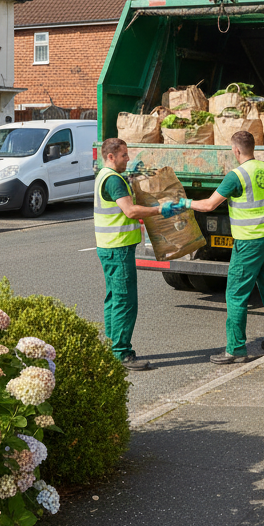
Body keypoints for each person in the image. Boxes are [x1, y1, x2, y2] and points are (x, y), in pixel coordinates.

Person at [163, 131, 264, 364]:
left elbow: (210, 205)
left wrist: (184, 203)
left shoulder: (236, 176)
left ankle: (236, 350)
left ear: (236, 150)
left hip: (249, 242)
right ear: (253, 148)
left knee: (235, 294)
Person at [95, 138, 167, 371]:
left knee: (114, 299)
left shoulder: (105, 176)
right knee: (125, 301)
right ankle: (121, 353)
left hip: (109, 247)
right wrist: (160, 209)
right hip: (118, 248)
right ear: (110, 156)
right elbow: (130, 210)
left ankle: (111, 346)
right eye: (124, 155)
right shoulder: (113, 180)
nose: (128, 159)